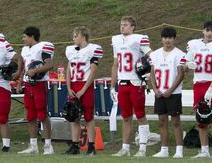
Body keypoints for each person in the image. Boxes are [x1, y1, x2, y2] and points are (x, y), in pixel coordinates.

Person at [110, 17, 152, 157]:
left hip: (136, 82)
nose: (122, 27)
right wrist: (112, 85)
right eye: (121, 24)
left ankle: (142, 149)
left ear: (133, 27)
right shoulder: (116, 39)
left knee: (140, 115)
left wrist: (148, 72)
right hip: (122, 82)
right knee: (126, 116)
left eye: (126, 25)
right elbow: (115, 64)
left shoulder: (139, 38)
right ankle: (125, 148)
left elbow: (151, 56)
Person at [185, 20, 212, 159]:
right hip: (198, 84)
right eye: (207, 30)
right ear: (203, 31)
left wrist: (211, 88)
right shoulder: (194, 44)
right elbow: (185, 64)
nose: (209, 33)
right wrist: (188, 64)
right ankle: (204, 150)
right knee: (200, 119)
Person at [63, 25, 103, 155]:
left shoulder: (93, 49)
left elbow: (93, 72)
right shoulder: (71, 50)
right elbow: (68, 70)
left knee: (88, 117)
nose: (73, 38)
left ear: (83, 36)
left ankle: (91, 147)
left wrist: (84, 89)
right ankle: (75, 146)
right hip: (73, 86)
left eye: (76, 35)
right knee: (73, 115)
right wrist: (68, 87)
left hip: (85, 85)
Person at [147, 27, 187, 159]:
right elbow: (152, 73)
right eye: (165, 38)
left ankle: (179, 150)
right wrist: (155, 88)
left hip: (173, 93)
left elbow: (181, 75)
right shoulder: (154, 54)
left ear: (174, 39)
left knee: (176, 121)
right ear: (161, 39)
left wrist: (170, 90)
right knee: (162, 121)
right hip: (160, 92)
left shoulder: (179, 54)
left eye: (170, 38)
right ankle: (164, 150)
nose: (167, 40)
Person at [17, 27, 54, 155]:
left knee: (42, 115)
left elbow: (49, 65)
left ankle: (48, 146)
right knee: (30, 115)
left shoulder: (42, 47)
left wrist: (35, 71)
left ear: (32, 36)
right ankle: (33, 146)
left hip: (40, 84)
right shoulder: (25, 50)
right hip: (28, 85)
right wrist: (20, 81)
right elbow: (25, 67)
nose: (23, 39)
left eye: (24, 37)